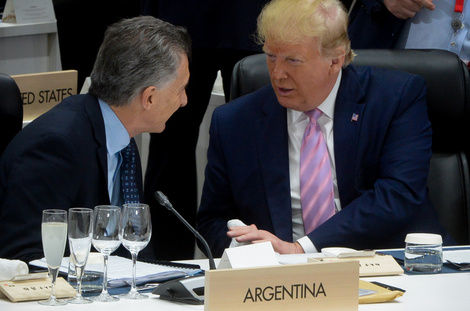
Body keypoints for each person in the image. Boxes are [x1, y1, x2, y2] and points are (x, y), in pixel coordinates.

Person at [197, 0, 452, 258]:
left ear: (335, 60)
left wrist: (301, 248)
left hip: (391, 264)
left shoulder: (396, 99)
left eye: (293, 61)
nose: (277, 73)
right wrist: (246, 246)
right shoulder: (234, 122)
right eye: (271, 57)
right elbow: (212, 221)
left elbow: (398, 195)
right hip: (286, 279)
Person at [0, 16, 191, 263]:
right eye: (180, 89)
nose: (184, 100)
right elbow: (25, 257)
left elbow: (133, 246)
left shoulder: (124, 139)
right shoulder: (55, 146)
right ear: (149, 97)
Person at [141, 0, 268, 260]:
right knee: (170, 144)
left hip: (248, 17)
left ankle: (258, 249)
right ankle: (166, 259)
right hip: (186, 18)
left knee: (255, 141)